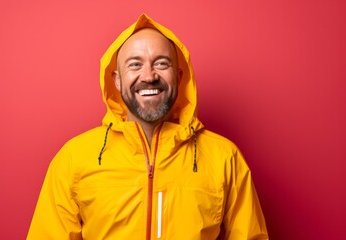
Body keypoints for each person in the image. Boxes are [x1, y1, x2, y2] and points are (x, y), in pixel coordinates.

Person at [27, 14, 268, 240]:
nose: (149, 75)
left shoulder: (225, 158)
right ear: (117, 80)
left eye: (161, 63)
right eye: (134, 64)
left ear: (179, 75)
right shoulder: (74, 158)